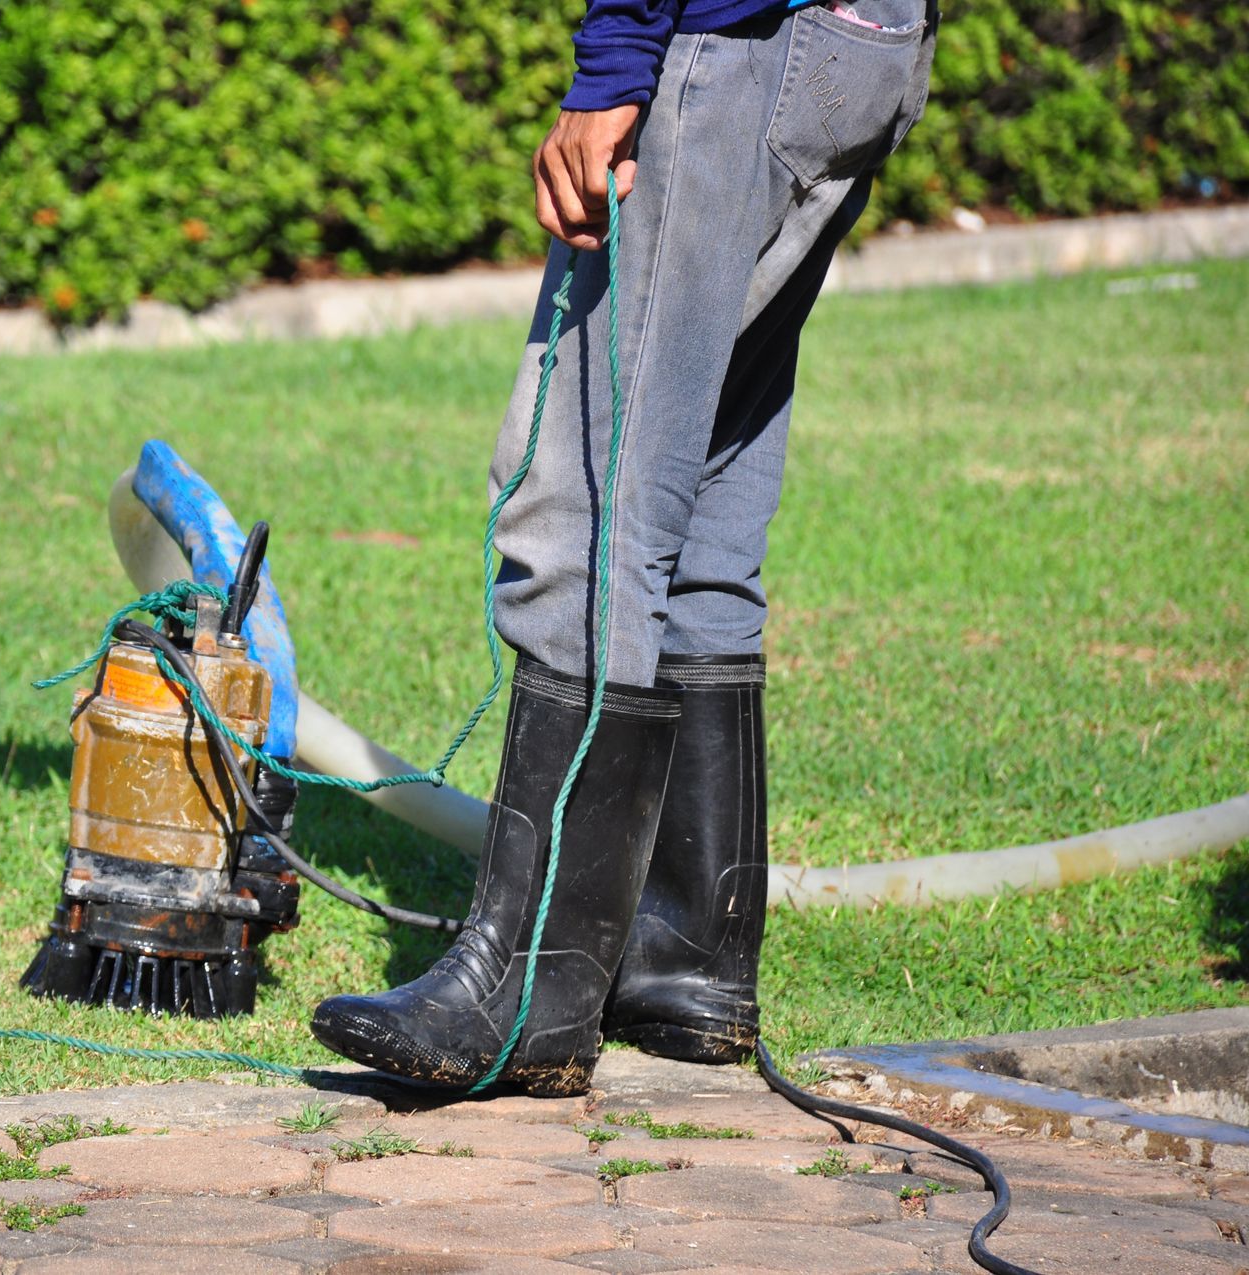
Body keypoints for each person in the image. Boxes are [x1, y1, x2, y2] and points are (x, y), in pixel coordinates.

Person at [310, 0, 938, 1094]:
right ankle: (685, 959)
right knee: (699, 504)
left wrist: (613, 66)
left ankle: (525, 995)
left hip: (733, 46)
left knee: (586, 507)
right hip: (859, 43)